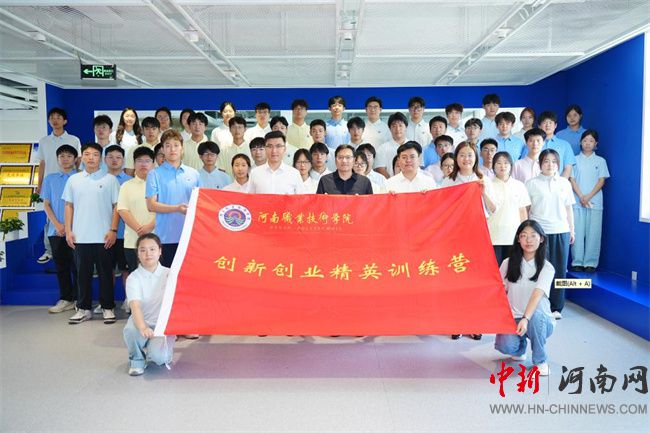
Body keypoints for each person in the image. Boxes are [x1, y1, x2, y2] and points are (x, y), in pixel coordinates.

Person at [442, 141, 497, 341]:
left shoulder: (483, 179)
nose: (466, 159)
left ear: (476, 158)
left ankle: (475, 323)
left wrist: (482, 192)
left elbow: (493, 208)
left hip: (477, 235)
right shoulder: (448, 181)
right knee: (456, 280)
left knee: (476, 281)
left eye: (470, 155)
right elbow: (440, 208)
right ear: (456, 158)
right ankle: (457, 322)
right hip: (454, 236)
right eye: (462, 155)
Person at [63, 143, 120, 325]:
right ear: (82, 157)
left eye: (95, 154)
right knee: (82, 275)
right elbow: (69, 206)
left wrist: (113, 230)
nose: (91, 158)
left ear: (100, 158)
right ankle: (83, 309)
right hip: (80, 237)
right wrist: (68, 231)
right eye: (87, 154)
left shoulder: (110, 180)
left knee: (106, 274)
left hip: (104, 236)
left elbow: (117, 207)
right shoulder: (74, 180)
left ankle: (108, 308)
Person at [494, 220, 556, 376]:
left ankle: (540, 361)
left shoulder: (547, 267)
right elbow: (500, 291)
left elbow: (537, 294)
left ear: (541, 239)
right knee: (507, 346)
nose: (529, 240)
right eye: (524, 236)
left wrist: (525, 319)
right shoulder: (507, 263)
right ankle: (520, 347)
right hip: (514, 317)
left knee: (535, 317)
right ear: (518, 239)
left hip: (539, 319)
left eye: (533, 236)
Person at [526, 149, 575, 319]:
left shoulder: (564, 183)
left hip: (561, 230)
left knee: (560, 270)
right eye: (546, 161)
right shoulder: (531, 183)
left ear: (558, 164)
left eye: (554, 161)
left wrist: (572, 229)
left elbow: (569, 208)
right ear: (540, 164)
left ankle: (556, 307)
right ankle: (538, 305)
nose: (550, 165)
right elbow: (526, 209)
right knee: (539, 269)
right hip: (539, 232)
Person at [123, 233, 175, 376]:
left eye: (152, 249)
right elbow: (135, 306)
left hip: (162, 325)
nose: (148, 254)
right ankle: (137, 360)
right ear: (138, 253)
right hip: (141, 321)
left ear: (160, 251)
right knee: (130, 330)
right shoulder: (133, 278)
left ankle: (158, 349)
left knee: (160, 358)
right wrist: (143, 327)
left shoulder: (170, 274)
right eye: (143, 250)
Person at [146, 129, 200, 267]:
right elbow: (151, 205)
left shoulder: (194, 174)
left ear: (182, 148)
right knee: (166, 277)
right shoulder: (154, 174)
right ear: (163, 149)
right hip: (165, 237)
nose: (172, 149)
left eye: (176, 145)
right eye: (168, 145)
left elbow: (200, 204)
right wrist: (177, 208)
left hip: (190, 237)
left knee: (188, 277)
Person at [36, 107, 81, 264]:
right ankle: (49, 250)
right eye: (52, 118)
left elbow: (78, 160)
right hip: (52, 183)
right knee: (50, 217)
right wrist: (39, 184)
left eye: (58, 117)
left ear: (65, 121)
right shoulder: (44, 141)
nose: (55, 120)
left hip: (70, 179)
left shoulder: (74, 139)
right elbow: (42, 163)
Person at [42, 144, 78, 314]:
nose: (65, 159)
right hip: (55, 231)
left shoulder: (80, 178)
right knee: (62, 267)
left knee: (78, 267)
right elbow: (46, 204)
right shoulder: (50, 179)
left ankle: (80, 299)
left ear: (75, 159)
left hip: (77, 231)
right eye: (62, 156)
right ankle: (66, 299)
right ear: (57, 159)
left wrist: (69, 227)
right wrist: (57, 224)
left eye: (69, 156)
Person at [569, 129, 610, 272]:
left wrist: (588, 196)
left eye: (591, 141)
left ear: (596, 144)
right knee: (577, 232)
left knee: (594, 233)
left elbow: (601, 180)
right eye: (585, 140)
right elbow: (572, 179)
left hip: (595, 202)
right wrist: (581, 196)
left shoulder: (601, 161)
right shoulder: (574, 159)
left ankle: (590, 263)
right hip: (577, 200)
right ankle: (577, 262)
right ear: (581, 142)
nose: (588, 143)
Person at [117, 146, 156, 281]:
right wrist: (140, 229)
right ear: (133, 164)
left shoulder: (160, 185)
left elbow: (164, 210)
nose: (143, 164)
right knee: (136, 279)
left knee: (156, 279)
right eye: (139, 160)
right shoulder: (126, 186)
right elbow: (122, 210)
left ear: (153, 164)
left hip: (156, 240)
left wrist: (149, 227)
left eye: (147, 161)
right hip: (133, 241)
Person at [488, 151, 531, 265]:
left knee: (512, 269)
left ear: (511, 166)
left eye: (506, 163)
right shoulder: (488, 185)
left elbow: (522, 211)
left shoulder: (519, 185)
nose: (502, 166)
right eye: (498, 163)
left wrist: (524, 232)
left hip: (513, 235)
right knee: (495, 269)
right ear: (493, 166)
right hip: (493, 235)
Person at [104, 145, 133, 295]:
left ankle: (129, 301)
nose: (114, 160)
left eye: (118, 157)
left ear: (123, 160)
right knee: (106, 269)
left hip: (125, 234)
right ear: (104, 160)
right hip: (103, 234)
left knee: (126, 270)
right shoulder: (100, 180)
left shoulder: (130, 182)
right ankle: (107, 302)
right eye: (111, 157)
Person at [538, 111, 576, 178]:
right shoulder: (533, 144)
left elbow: (568, 168)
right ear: (539, 126)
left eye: (550, 122)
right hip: (537, 182)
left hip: (559, 182)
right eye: (544, 122)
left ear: (555, 125)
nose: (548, 125)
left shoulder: (565, 145)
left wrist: (559, 183)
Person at [376, 112, 409, 178]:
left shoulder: (414, 147)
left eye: (400, 125)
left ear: (406, 127)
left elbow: (418, 167)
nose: (397, 129)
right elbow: (380, 169)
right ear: (390, 128)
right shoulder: (383, 148)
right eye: (394, 126)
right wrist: (392, 182)